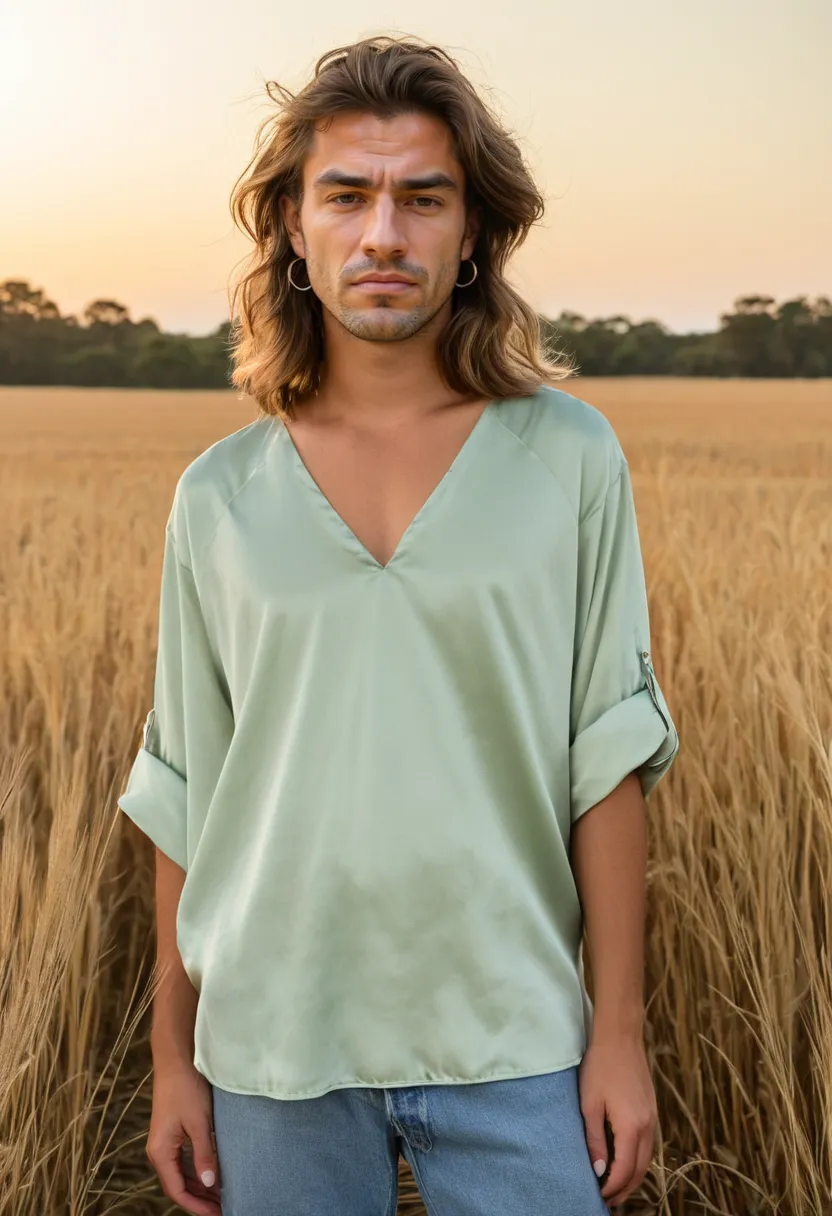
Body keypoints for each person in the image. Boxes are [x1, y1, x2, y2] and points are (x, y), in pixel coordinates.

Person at [117, 33, 680, 1216]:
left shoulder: (567, 457)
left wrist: (615, 1034)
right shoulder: (217, 496)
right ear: (290, 225)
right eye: (348, 195)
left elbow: (608, 758)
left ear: (471, 233)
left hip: (514, 1031)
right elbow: (186, 793)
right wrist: (176, 1058)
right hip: (272, 1046)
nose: (383, 235)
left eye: (423, 198)